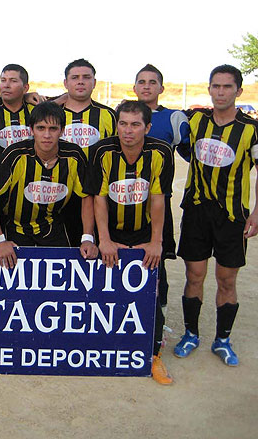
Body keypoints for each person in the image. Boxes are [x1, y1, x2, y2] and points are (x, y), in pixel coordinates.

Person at [173, 65, 258, 366]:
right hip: (197, 212)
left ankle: (222, 339)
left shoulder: (250, 129)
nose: (220, 92)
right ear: (209, 89)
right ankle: (191, 333)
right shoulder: (194, 119)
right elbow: (153, 111)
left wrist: (257, 213)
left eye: (227, 87)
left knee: (226, 280)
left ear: (239, 91)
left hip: (232, 217)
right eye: (215, 86)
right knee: (193, 276)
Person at [88, 100, 174, 385]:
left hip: (144, 230)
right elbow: (98, 197)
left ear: (147, 128)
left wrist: (155, 242)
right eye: (123, 124)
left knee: (152, 290)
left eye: (135, 125)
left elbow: (159, 198)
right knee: (103, 287)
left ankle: (153, 355)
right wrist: (105, 240)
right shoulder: (103, 151)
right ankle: (101, 348)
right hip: (111, 230)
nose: (128, 131)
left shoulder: (160, 152)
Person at [0, 101, 98, 269]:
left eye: (53, 129)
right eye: (41, 128)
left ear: (62, 131)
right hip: (15, 226)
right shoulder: (15, 154)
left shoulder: (73, 155)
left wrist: (87, 238)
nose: (47, 135)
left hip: (53, 225)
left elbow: (86, 195)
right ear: (31, 130)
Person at [133, 63, 190, 313]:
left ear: (162, 88)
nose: (146, 87)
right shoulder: (121, 115)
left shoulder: (173, 118)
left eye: (152, 82)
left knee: (158, 260)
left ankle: (159, 315)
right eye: (142, 82)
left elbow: (193, 155)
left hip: (158, 201)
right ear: (134, 87)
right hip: (123, 201)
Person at [59, 58, 117, 247]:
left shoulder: (108, 115)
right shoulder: (52, 113)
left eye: (86, 77)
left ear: (94, 82)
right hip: (59, 193)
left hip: (98, 193)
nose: (81, 81)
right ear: (66, 83)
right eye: (75, 77)